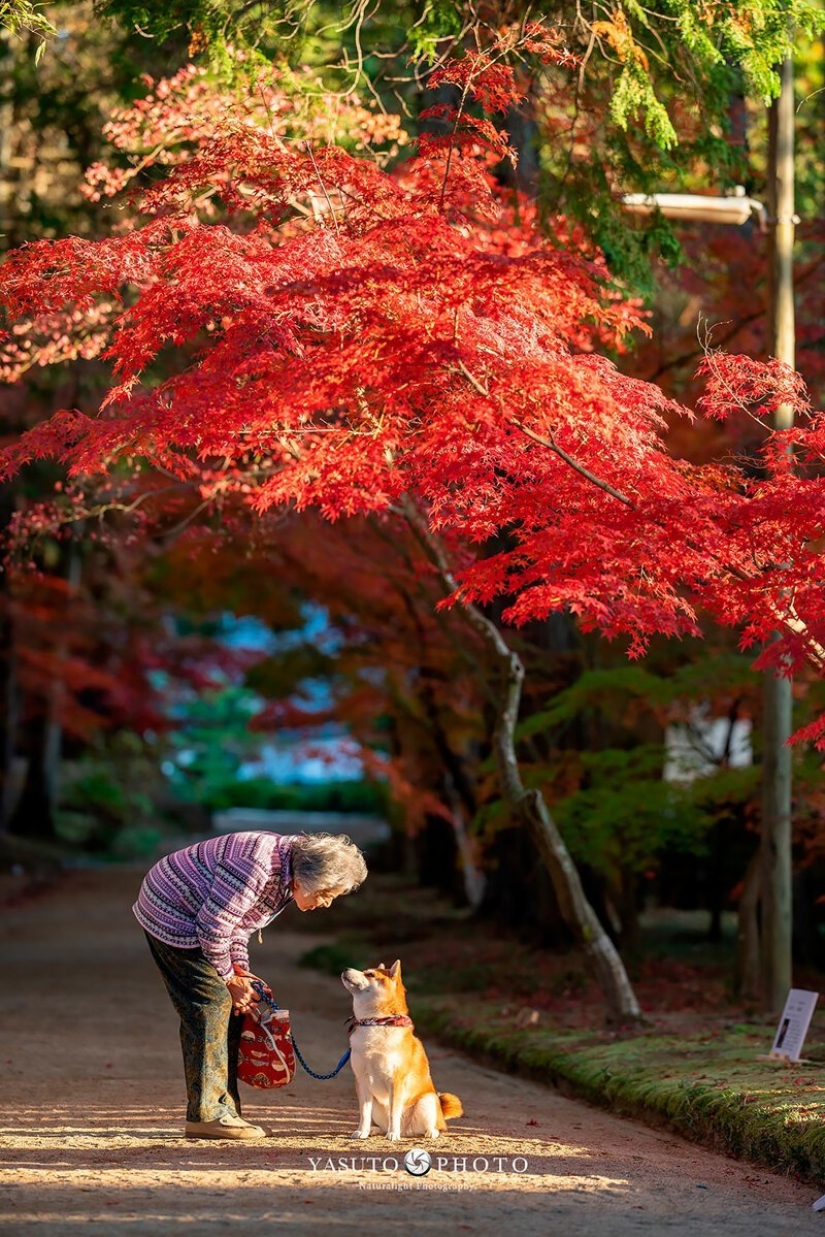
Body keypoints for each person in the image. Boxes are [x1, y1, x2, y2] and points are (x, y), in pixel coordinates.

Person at [133, 830, 367, 1140]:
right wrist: (229, 979)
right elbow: (214, 927)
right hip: (171, 910)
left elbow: (239, 926)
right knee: (211, 1005)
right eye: (326, 894)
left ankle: (224, 1110)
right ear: (309, 877)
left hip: (201, 919)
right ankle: (207, 1115)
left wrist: (241, 972)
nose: (325, 904)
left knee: (233, 1007)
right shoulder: (256, 867)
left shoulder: (287, 876)